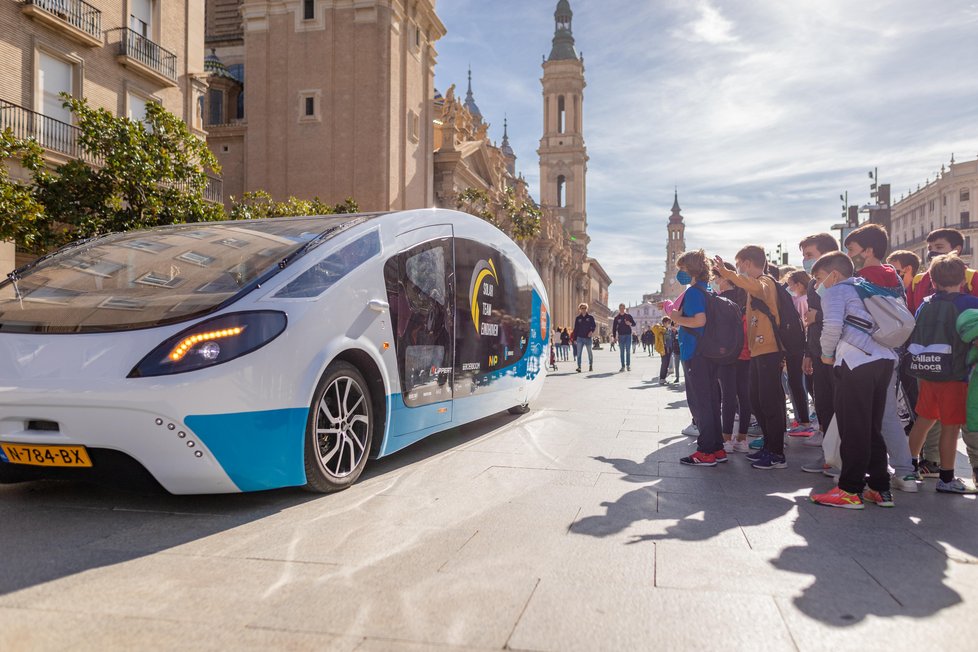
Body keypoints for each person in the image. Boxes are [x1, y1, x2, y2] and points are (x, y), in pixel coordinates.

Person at [809, 252, 898, 509]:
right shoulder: (866, 288)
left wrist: (826, 354)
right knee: (870, 425)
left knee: (853, 427)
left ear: (834, 275)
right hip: (883, 359)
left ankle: (850, 489)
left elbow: (832, 327)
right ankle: (880, 488)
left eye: (819, 278)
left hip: (856, 360)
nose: (818, 285)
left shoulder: (838, 291)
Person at [843, 223, 918, 492]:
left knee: (875, 417)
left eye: (852, 250)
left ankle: (892, 472)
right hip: (892, 350)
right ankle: (904, 471)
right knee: (885, 415)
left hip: (866, 353)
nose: (849, 255)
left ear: (869, 250)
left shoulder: (861, 279)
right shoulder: (894, 276)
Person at [907, 229, 978, 482]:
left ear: (933, 281)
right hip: (956, 374)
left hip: (928, 370)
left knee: (924, 421)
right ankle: (947, 479)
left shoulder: (926, 302)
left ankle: (909, 467)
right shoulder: (969, 304)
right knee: (951, 426)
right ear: (963, 279)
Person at [713, 245, 788, 470]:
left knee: (770, 402)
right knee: (757, 400)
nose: (737, 270)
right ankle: (768, 447)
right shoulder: (754, 288)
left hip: (770, 351)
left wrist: (727, 274)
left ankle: (777, 453)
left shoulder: (765, 283)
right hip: (757, 352)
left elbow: (753, 285)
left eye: (738, 265)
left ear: (746, 263)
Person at [667, 250, 725, 466]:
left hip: (695, 353)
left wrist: (676, 318)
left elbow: (699, 321)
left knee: (701, 403)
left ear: (690, 270)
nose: (680, 273)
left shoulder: (693, 292)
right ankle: (717, 448)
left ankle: (706, 451)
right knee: (711, 401)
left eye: (681, 269)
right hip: (708, 354)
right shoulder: (708, 289)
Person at [798, 233, 841, 472]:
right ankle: (828, 455)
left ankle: (835, 457)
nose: (806, 260)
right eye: (804, 256)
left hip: (836, 354)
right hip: (818, 351)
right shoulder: (815, 284)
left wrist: (818, 316)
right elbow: (810, 322)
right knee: (823, 403)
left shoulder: (842, 282)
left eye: (809, 255)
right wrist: (808, 353)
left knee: (836, 405)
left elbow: (845, 314)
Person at [715, 262, 752, 453]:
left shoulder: (719, 301)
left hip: (727, 353)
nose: (715, 281)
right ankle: (742, 439)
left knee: (728, 396)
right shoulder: (745, 296)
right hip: (746, 352)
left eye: (717, 278)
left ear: (725, 278)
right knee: (744, 396)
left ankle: (726, 439)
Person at [887, 249, 922, 423]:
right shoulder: (897, 292)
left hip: (915, 357)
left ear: (907, 269)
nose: (889, 274)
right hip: (902, 353)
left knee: (916, 399)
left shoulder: (919, 290)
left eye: (893, 269)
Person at [572, 303, 596, 373]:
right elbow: (575, 329)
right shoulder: (578, 318)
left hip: (588, 338)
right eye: (582, 308)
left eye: (585, 308)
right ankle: (579, 367)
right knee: (579, 353)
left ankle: (590, 365)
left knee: (589, 352)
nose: (584, 309)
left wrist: (591, 331)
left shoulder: (590, 317)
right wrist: (574, 339)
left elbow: (594, 326)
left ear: (587, 309)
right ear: (580, 309)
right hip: (580, 338)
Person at [612, 304, 636, 371]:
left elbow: (634, 324)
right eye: (620, 308)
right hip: (621, 336)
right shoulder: (616, 318)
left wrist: (630, 323)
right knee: (622, 352)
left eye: (623, 308)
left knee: (628, 351)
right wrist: (614, 337)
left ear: (625, 308)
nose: (622, 309)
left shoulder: (628, 316)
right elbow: (614, 328)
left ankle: (628, 365)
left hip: (628, 335)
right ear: (619, 308)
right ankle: (623, 366)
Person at [655, 318, 671, 383]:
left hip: (669, 348)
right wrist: (661, 327)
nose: (669, 324)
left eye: (669, 323)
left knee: (667, 363)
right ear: (664, 323)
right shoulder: (660, 329)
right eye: (668, 323)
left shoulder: (668, 330)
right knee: (664, 363)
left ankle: (664, 378)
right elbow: (654, 328)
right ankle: (662, 378)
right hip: (663, 349)